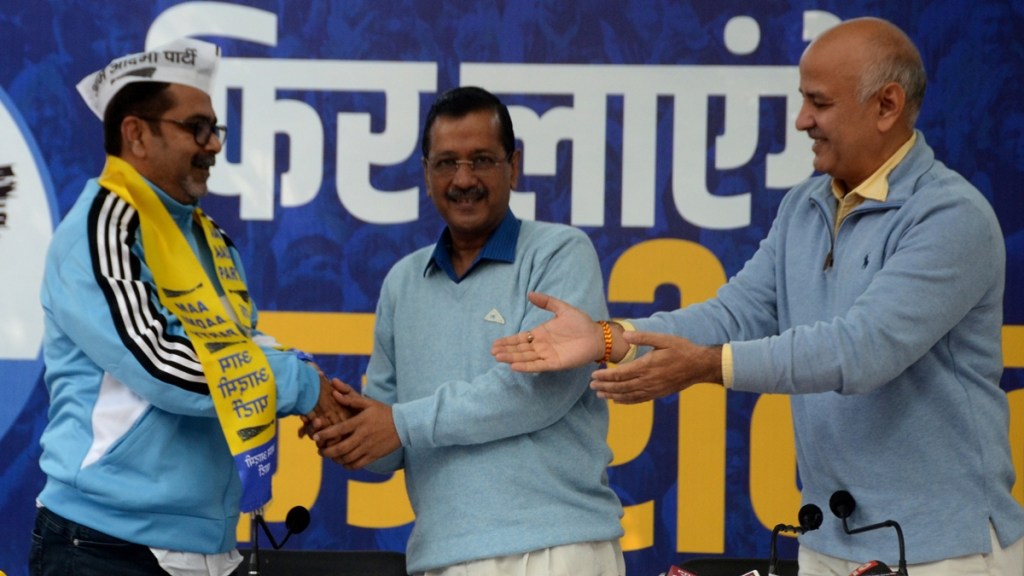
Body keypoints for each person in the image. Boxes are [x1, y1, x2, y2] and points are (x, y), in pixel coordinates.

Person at [491, 17, 1024, 576]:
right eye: (803, 101)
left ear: (887, 106)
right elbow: (736, 313)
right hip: (828, 543)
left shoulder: (950, 216)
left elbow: (863, 350)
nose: (802, 121)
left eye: (819, 103)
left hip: (945, 549)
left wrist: (705, 368)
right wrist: (612, 339)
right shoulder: (804, 205)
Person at [31, 38, 347, 576]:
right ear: (136, 134)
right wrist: (297, 386)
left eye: (215, 129)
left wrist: (312, 379)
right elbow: (160, 362)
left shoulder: (210, 237)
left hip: (210, 549)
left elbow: (239, 347)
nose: (213, 146)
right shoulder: (101, 229)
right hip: (104, 548)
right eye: (196, 128)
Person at [310, 86, 625, 575]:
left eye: (481, 160)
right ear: (425, 173)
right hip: (441, 557)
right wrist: (344, 429)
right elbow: (390, 449)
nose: (463, 179)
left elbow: (536, 393)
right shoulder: (401, 282)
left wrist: (398, 423)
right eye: (445, 163)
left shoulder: (559, 253)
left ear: (513, 166)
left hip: (555, 549)